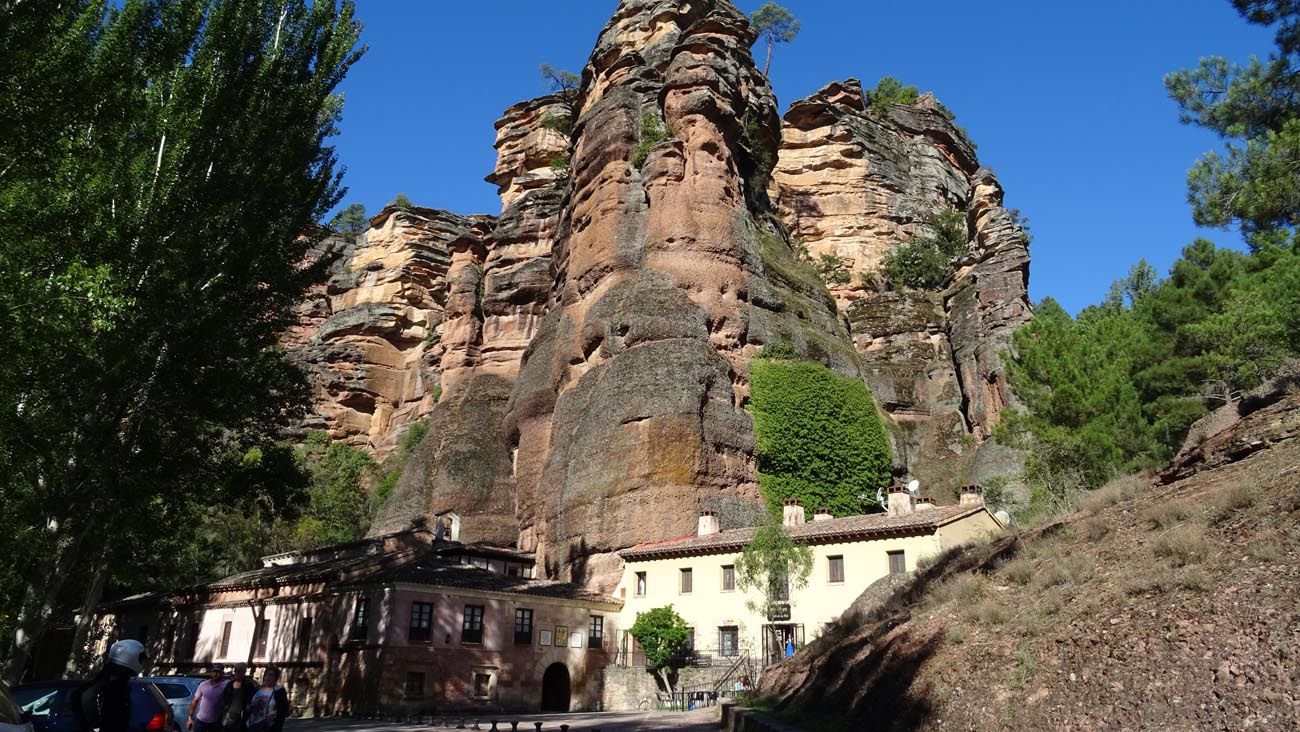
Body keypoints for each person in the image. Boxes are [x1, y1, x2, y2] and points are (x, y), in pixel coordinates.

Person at [74, 639, 147, 732]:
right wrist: (96, 725)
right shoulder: (113, 676)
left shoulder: (114, 674)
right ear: (130, 656)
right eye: (140, 659)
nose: (141, 663)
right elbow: (88, 696)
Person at [186, 665, 228, 732]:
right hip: (200, 721)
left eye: (218, 672)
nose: (215, 674)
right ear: (211, 672)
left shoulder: (226, 685)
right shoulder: (203, 684)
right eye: (214, 671)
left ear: (222, 673)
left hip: (215, 723)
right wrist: (189, 718)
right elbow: (195, 701)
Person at [220, 664, 255, 732]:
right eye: (235, 671)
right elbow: (224, 698)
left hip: (241, 718)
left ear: (244, 672)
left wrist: (249, 706)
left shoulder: (249, 685)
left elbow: (253, 699)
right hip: (227, 716)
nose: (236, 673)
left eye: (239, 671)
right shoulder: (229, 684)